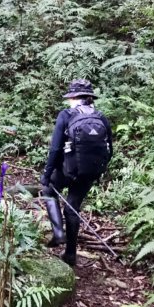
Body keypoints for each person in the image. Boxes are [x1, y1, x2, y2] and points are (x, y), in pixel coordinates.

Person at [40, 79, 113, 267]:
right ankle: (71, 254)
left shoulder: (66, 115)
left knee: (49, 191)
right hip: (89, 173)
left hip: (67, 170)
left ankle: (58, 234)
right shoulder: (101, 117)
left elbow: (55, 149)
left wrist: (47, 175)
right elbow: (109, 149)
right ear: (90, 98)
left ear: (73, 97)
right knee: (72, 206)